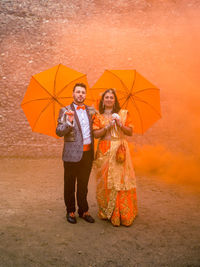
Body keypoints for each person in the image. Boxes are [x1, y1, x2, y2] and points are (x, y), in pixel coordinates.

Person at [92, 88, 137, 226]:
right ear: (103, 100)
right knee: (105, 182)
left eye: (112, 97)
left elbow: (130, 132)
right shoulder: (98, 116)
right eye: (107, 97)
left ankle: (122, 214)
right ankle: (108, 212)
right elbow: (96, 134)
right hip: (104, 150)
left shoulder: (123, 114)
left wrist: (119, 124)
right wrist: (107, 127)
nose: (109, 99)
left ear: (115, 100)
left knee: (121, 181)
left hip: (120, 151)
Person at [56, 83, 95, 224]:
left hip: (87, 154)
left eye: (83, 92)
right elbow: (59, 131)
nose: (80, 94)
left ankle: (83, 210)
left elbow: (96, 129)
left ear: (85, 95)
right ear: (73, 94)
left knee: (83, 185)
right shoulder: (64, 110)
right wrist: (69, 122)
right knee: (70, 184)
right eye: (78, 92)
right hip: (71, 155)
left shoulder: (91, 111)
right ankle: (70, 210)